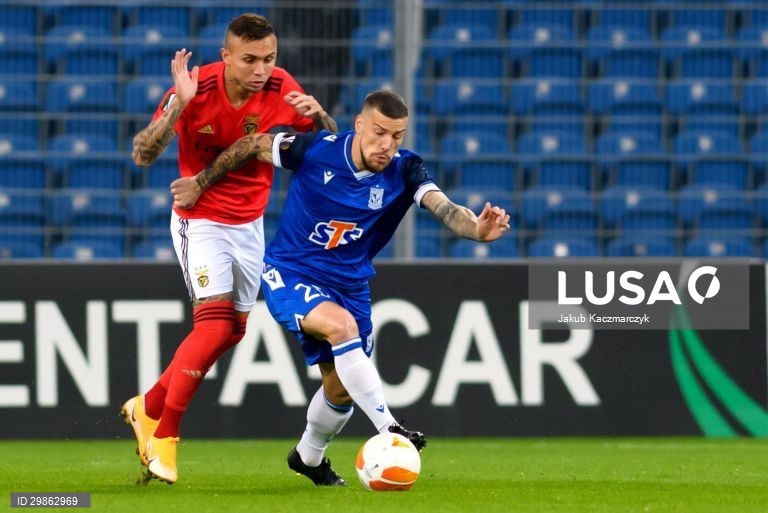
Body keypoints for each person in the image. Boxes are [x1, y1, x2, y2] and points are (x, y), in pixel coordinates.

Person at [170, 90, 511, 486]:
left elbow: (445, 207)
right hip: (292, 271)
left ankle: (308, 456)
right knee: (342, 327)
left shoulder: (404, 169)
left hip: (350, 284)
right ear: (360, 125)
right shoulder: (316, 150)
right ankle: (389, 427)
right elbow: (251, 143)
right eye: (379, 133)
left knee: (340, 389)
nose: (387, 145)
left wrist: (476, 229)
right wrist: (200, 182)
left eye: (396, 136)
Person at [120, 13, 337, 485]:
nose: (262, 69)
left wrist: (319, 115)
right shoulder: (195, 88)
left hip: (249, 224)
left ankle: (147, 406)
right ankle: (165, 436)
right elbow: (142, 154)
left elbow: (333, 148)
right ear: (226, 56)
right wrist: (177, 107)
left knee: (233, 331)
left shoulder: (281, 87)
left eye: (269, 59)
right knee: (214, 323)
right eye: (250, 59)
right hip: (198, 220)